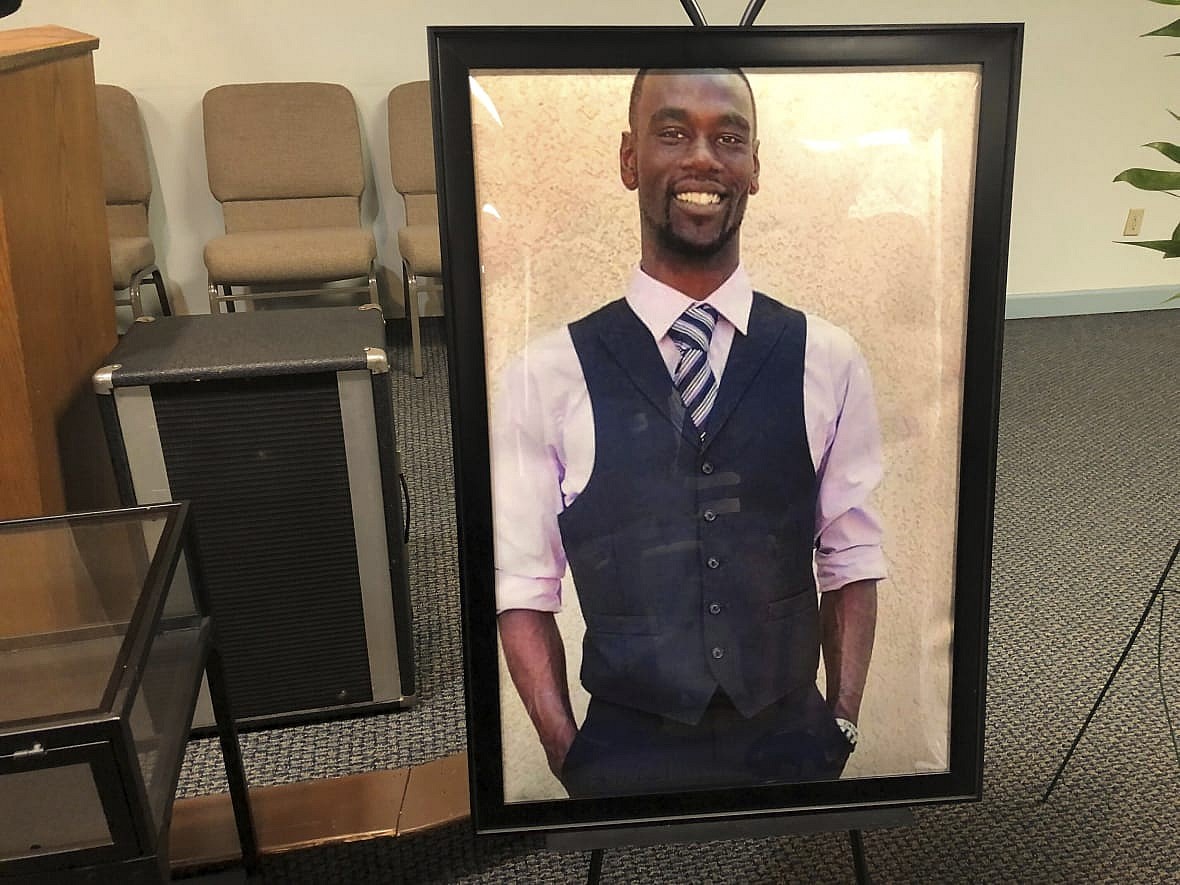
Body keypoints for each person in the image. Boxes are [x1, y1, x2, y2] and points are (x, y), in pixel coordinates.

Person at [491, 68, 886, 798]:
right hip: (623, 739)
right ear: (628, 159)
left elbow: (852, 554)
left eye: (729, 137)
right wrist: (566, 753)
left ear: (755, 168)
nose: (704, 158)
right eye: (673, 132)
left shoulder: (829, 358)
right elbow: (522, 585)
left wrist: (843, 722)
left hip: (792, 731)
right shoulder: (542, 374)